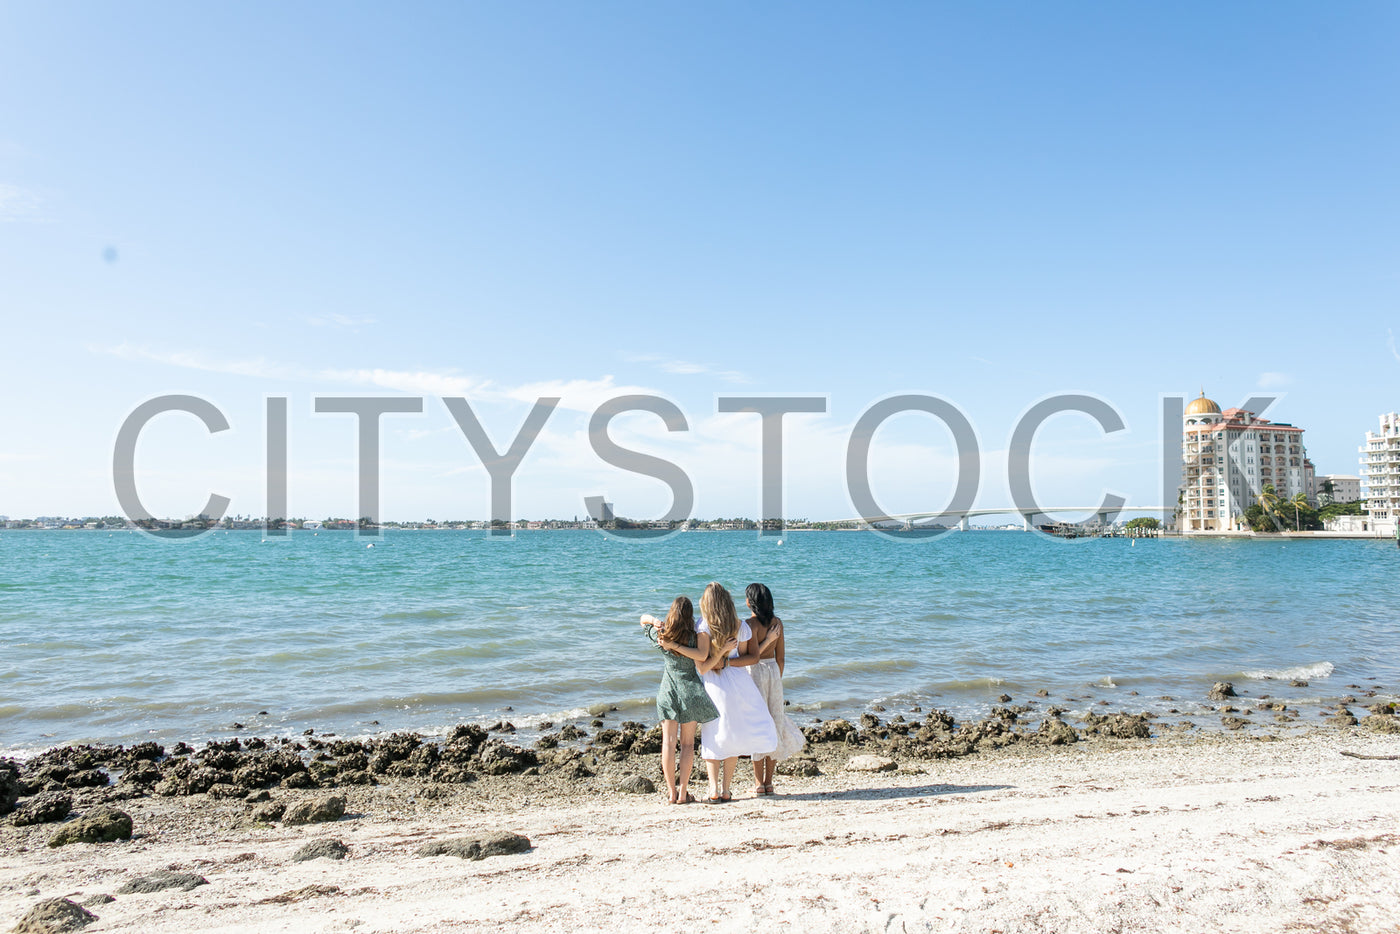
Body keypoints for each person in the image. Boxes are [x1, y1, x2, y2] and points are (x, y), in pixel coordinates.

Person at [694, 582, 777, 803]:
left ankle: (713, 790)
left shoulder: (703, 627)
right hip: (739, 681)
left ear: (707, 603)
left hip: (715, 683)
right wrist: (730, 663)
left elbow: (702, 667)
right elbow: (754, 657)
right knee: (731, 734)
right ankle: (726, 790)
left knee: (713, 734)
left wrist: (722, 661)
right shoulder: (740, 625)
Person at [640, 596, 719, 804]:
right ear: (690, 615)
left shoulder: (662, 634)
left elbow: (642, 620)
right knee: (687, 745)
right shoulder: (695, 635)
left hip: (668, 691)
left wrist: (653, 620)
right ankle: (683, 792)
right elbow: (702, 656)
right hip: (690, 691)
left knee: (668, 743)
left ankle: (671, 792)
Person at [743, 583, 806, 795]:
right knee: (774, 723)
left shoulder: (749, 625)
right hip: (773, 673)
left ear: (749, 602)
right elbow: (781, 658)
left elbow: (750, 657)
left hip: (755, 673)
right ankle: (769, 782)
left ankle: (759, 783)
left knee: (757, 724)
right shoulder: (777, 623)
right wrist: (776, 678)